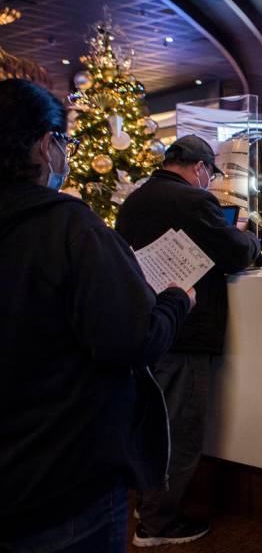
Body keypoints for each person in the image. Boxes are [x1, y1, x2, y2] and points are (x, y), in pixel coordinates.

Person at [0, 78, 195, 551]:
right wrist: (175, 301)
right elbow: (132, 338)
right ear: (47, 144)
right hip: (63, 480)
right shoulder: (68, 226)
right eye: (64, 142)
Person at [116, 134, 261, 547]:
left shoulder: (135, 200)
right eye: (208, 173)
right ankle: (158, 524)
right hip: (187, 330)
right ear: (200, 168)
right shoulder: (195, 202)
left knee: (151, 424)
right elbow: (237, 253)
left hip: (147, 326)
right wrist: (247, 234)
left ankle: (147, 504)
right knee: (180, 429)